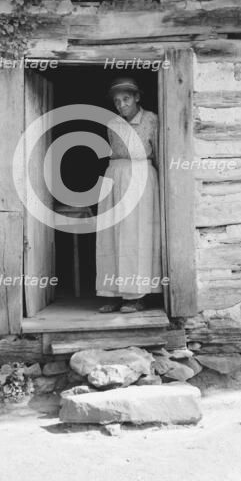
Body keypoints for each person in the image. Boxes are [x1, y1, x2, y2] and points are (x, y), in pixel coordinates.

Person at [95, 76, 162, 313]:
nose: (121, 105)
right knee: (112, 235)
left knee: (136, 235)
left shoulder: (152, 120)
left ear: (137, 97)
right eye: (117, 101)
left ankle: (135, 296)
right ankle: (113, 293)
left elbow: (159, 153)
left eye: (126, 99)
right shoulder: (112, 123)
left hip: (141, 176)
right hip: (115, 176)